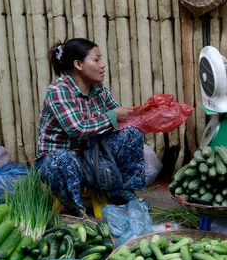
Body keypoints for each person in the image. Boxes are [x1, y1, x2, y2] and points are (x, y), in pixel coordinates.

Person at [36, 38, 146, 216]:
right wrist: (112, 117)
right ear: (78, 64)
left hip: (91, 157)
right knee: (61, 160)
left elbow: (118, 118)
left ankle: (121, 191)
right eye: (96, 60)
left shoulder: (98, 89)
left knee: (131, 134)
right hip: (57, 160)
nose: (102, 65)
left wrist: (149, 114)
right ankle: (71, 203)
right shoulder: (59, 90)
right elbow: (77, 129)